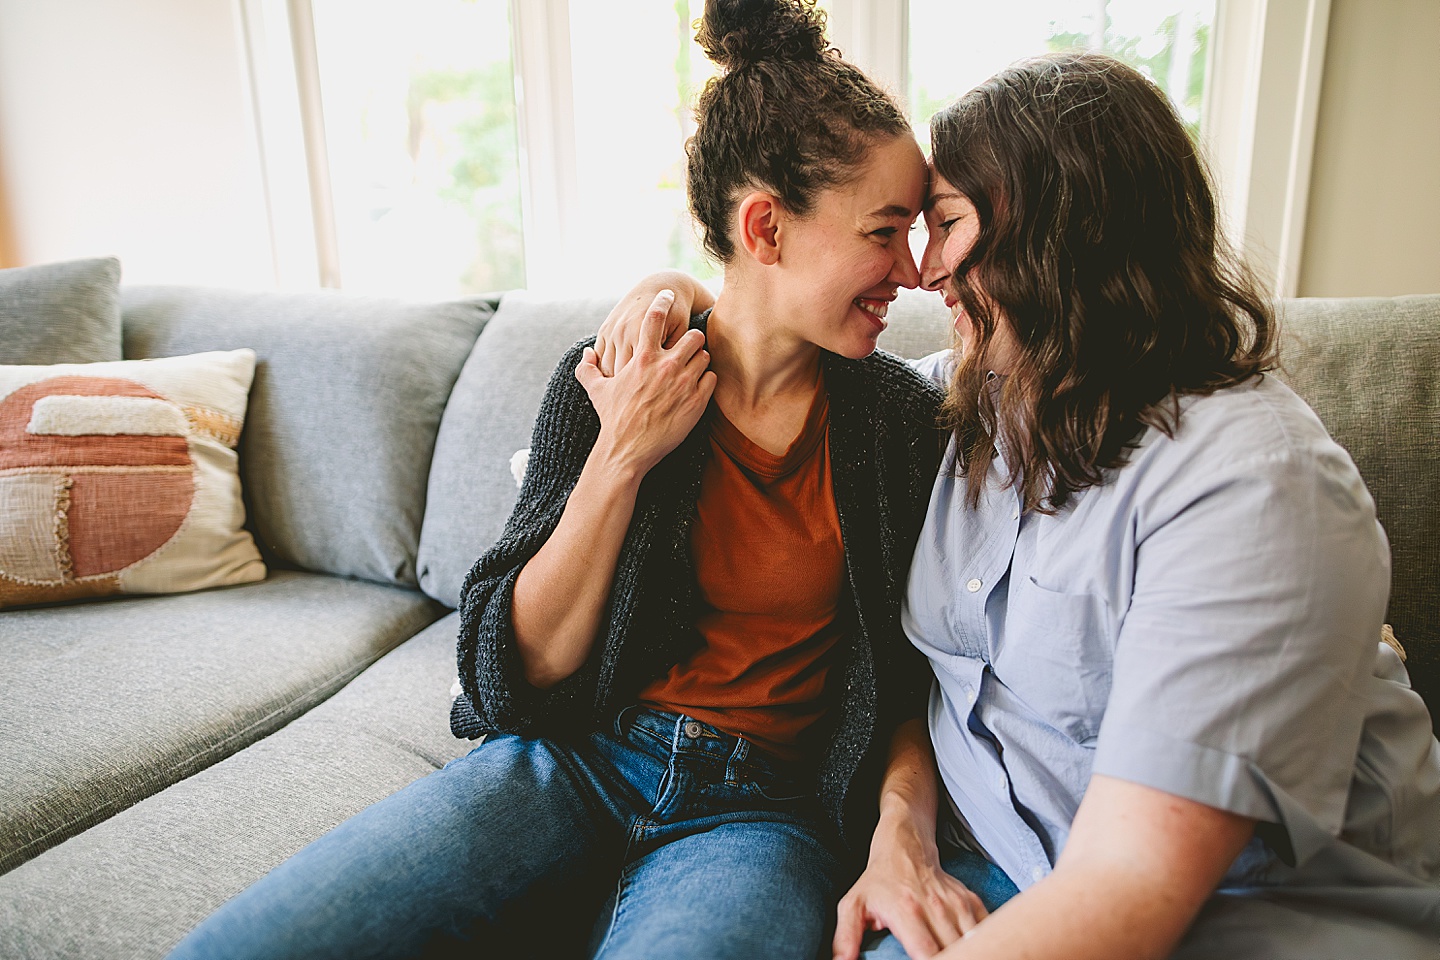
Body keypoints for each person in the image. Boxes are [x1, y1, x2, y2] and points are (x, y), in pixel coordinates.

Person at [601, 52, 1440, 960]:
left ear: (1060, 240)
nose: (920, 272)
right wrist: (674, 294)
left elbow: (1134, 890)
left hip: (1231, 920)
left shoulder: (1253, 486)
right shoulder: (981, 401)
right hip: (993, 865)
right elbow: (777, 353)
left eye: (947, 225)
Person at [166, 2, 950, 958]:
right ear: (766, 229)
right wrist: (620, 456)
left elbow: (914, 678)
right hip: (572, 764)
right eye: (885, 231)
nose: (914, 271)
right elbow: (507, 675)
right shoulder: (609, 376)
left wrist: (901, 829)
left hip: (760, 821)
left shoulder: (898, 422)